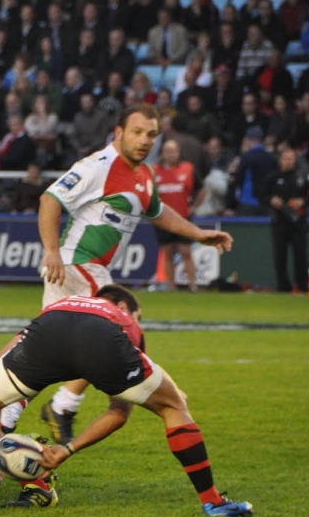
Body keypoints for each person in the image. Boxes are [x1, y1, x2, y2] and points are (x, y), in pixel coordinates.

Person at [0, 284, 254, 517]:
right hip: (102, 340)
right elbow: (118, 412)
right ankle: (212, 500)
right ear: (123, 308)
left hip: (49, 329)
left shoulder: (66, 302)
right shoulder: (121, 318)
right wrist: (66, 450)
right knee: (174, 406)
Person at [38, 104, 234, 445]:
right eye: (137, 132)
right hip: (77, 264)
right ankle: (64, 404)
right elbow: (50, 199)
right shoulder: (99, 166)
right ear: (119, 132)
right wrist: (52, 250)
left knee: (45, 349)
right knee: (120, 323)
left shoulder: (144, 174)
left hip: (85, 268)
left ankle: (8, 419)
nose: (144, 140)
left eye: (151, 135)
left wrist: (197, 233)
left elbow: (158, 211)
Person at [153, 139, 203, 291]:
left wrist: (194, 207)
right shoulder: (154, 171)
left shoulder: (188, 169)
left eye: (174, 151)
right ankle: (171, 286)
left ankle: (193, 285)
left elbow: (201, 189)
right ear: (162, 154)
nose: (171, 154)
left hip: (182, 218)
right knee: (167, 253)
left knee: (186, 251)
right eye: (168, 151)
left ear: (178, 153)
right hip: (163, 219)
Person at [262, 148, 309, 293]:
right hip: (280, 221)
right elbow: (262, 195)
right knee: (280, 255)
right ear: (281, 160)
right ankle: (283, 286)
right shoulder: (273, 178)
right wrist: (271, 200)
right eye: (286, 158)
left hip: (297, 221)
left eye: (292, 158)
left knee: (300, 255)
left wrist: (302, 201)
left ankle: (303, 286)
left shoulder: (301, 177)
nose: (289, 161)